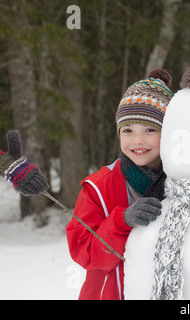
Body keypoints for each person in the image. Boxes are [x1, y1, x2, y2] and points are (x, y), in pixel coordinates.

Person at [66, 69, 174, 300]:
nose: (138, 141)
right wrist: (121, 221)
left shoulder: (186, 183)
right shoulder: (98, 187)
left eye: (150, 130)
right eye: (128, 130)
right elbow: (85, 254)